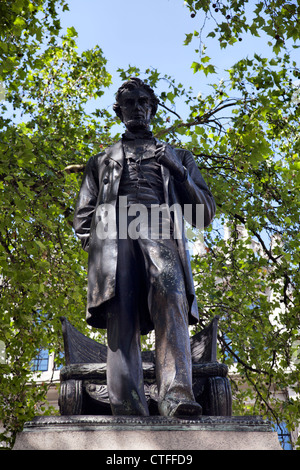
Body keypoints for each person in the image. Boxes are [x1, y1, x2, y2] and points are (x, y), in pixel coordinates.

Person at [73, 77, 216, 417]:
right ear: (118, 111)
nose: (137, 108)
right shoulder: (101, 161)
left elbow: (204, 214)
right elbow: (83, 219)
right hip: (113, 231)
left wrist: (177, 171)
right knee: (120, 309)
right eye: (130, 103)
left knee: (171, 296)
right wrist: (99, 240)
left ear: (152, 109)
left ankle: (177, 395)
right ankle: (127, 402)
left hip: (157, 225)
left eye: (143, 102)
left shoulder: (179, 156)